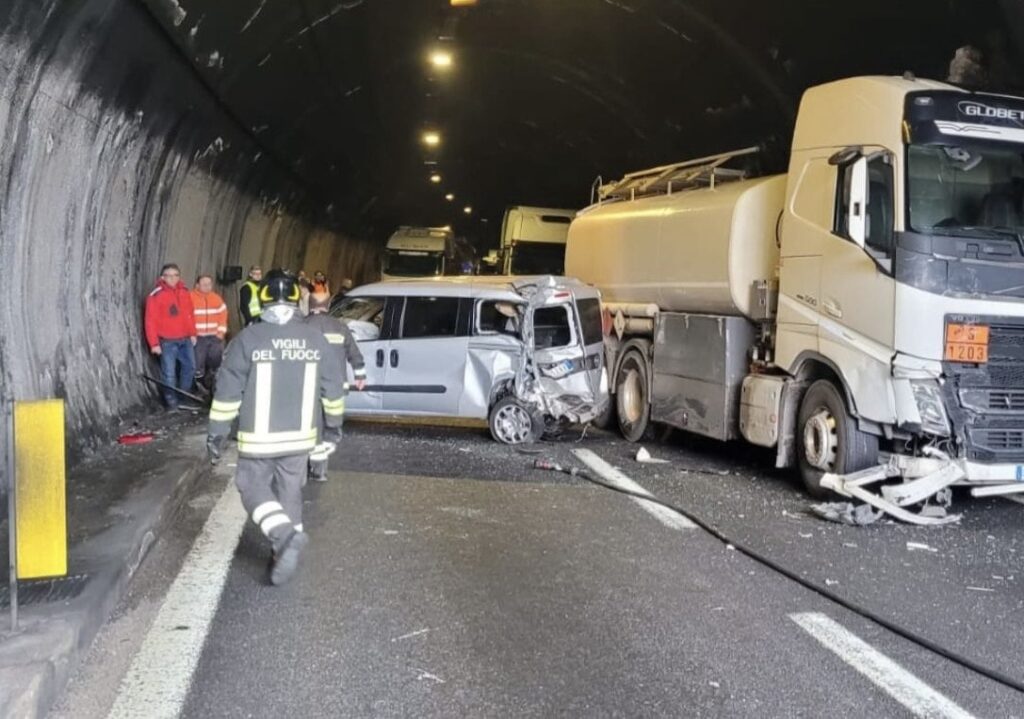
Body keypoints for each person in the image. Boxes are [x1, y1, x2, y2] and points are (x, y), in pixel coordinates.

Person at [207, 270, 346, 586]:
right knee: (289, 490)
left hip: (259, 437)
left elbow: (227, 393)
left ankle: (283, 536)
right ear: (297, 300)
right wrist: (333, 429)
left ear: (263, 300)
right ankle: (282, 551)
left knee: (251, 485)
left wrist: (216, 434)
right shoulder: (315, 339)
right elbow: (333, 390)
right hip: (301, 437)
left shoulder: (248, 340)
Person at [303, 291, 367, 481]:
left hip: (310, 386)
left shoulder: (301, 326)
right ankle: (320, 467)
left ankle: (312, 466)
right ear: (328, 305)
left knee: (312, 426)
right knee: (330, 427)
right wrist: (360, 375)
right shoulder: (340, 327)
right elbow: (354, 354)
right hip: (335, 387)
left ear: (309, 305)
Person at [144, 263, 197, 410]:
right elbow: (150, 321)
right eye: (169, 276)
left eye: (175, 275)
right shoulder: (156, 295)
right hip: (167, 341)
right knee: (169, 373)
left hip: (185, 339)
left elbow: (190, 315)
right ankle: (171, 403)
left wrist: (193, 333)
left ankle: (183, 397)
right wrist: (154, 343)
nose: (173, 279)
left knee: (190, 368)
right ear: (163, 277)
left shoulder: (184, 292)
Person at [190, 274, 228, 394]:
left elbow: (223, 316)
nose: (207, 287)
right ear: (197, 285)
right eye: (204, 284)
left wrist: (220, 333)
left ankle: (212, 384)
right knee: (198, 362)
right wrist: (191, 334)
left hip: (214, 337)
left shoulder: (216, 299)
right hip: (198, 337)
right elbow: (187, 318)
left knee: (216, 360)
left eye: (209, 284)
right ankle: (198, 388)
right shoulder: (190, 298)